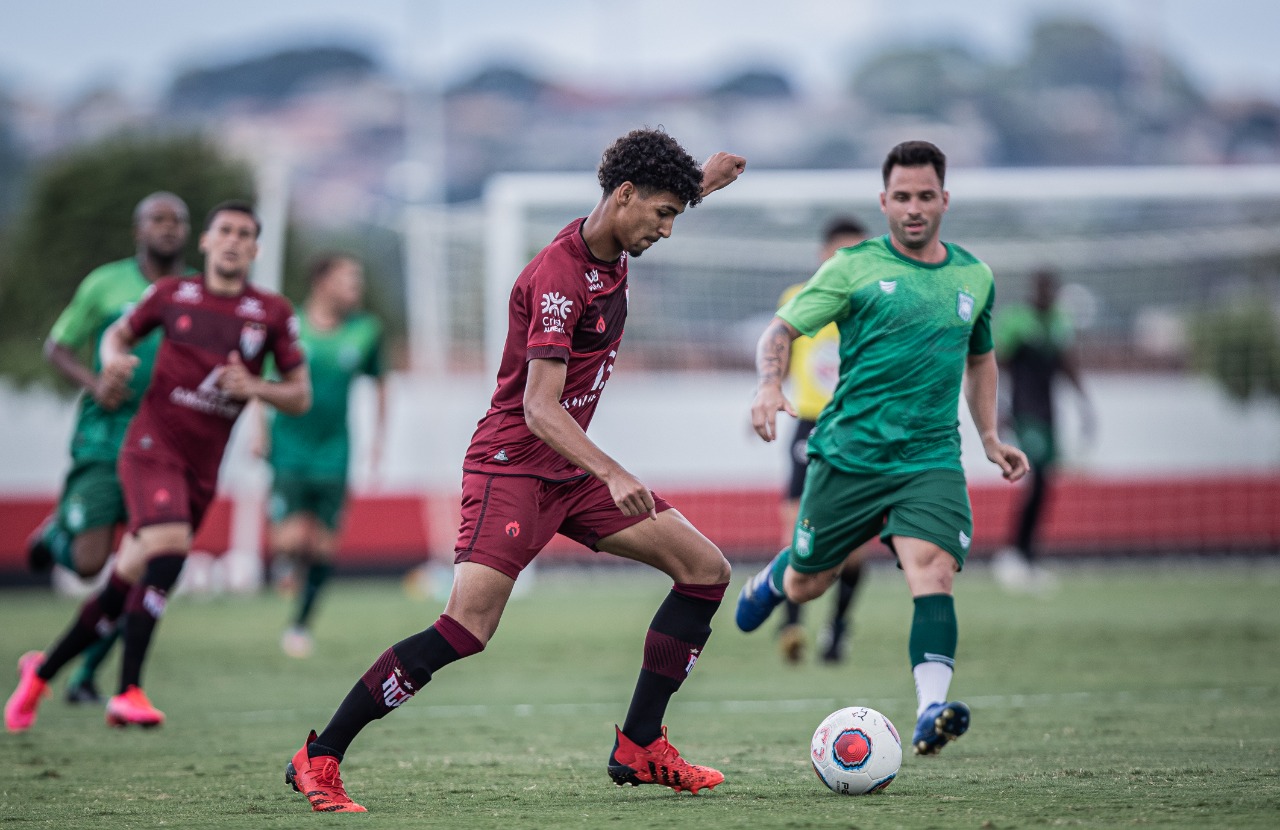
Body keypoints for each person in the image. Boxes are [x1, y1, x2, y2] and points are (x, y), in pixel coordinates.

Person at [283, 129, 745, 813]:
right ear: (624, 197)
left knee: (706, 570)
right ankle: (320, 756)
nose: (669, 229)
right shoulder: (558, 277)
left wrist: (702, 182)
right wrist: (615, 473)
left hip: (569, 470)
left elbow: (655, 202)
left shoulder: (617, 236)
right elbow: (538, 408)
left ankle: (640, 744)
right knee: (465, 630)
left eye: (677, 213)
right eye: (664, 214)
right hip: (516, 468)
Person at [735, 140, 1029, 757]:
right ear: (884, 201)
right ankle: (777, 577)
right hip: (849, 454)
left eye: (926, 196)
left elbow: (980, 357)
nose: (915, 208)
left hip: (929, 458)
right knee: (811, 583)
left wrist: (990, 436)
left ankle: (930, 711)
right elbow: (782, 328)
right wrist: (768, 383)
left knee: (934, 570)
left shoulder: (974, 276)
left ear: (944, 198)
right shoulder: (852, 267)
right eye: (902, 197)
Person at [5, 201, 310, 732]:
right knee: (168, 551)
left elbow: (300, 395)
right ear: (208, 243)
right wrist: (113, 359)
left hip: (203, 465)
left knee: (122, 584)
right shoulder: (173, 296)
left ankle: (40, 672)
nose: (234, 240)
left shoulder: (273, 313)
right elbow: (119, 334)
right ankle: (128, 691)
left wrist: (256, 387)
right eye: (225, 231)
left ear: (255, 249)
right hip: (150, 446)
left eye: (245, 233)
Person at [26, 192, 193, 704]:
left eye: (177, 221)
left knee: (145, 567)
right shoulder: (105, 283)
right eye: (157, 220)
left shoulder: (195, 293)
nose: (167, 228)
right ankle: (57, 535)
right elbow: (57, 345)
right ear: (138, 231)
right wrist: (96, 382)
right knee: (89, 565)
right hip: (105, 437)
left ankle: (85, 676)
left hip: (165, 445)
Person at [258, 253, 386, 658]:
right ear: (322, 281)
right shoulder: (288, 326)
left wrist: (379, 440)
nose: (356, 287)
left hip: (335, 450)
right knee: (293, 540)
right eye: (349, 279)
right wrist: (257, 431)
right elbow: (260, 380)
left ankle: (300, 625)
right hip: (289, 448)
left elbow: (381, 383)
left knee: (325, 548)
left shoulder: (366, 331)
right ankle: (286, 564)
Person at [774, 216, 873, 666]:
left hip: (858, 430)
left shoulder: (875, 305)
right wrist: (768, 389)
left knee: (852, 549)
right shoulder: (798, 300)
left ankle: (837, 627)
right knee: (798, 531)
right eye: (840, 253)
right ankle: (792, 624)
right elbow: (778, 350)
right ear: (823, 256)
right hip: (810, 426)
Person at [991, 269, 1093, 592]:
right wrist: (999, 409)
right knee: (1032, 480)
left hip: (1050, 416)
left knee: (1044, 483)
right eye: (1042, 288)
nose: (1046, 293)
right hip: (1024, 414)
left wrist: (1085, 406)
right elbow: (998, 367)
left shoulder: (1060, 324)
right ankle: (1013, 555)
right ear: (1033, 290)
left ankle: (1028, 556)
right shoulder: (1016, 321)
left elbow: (1068, 365)